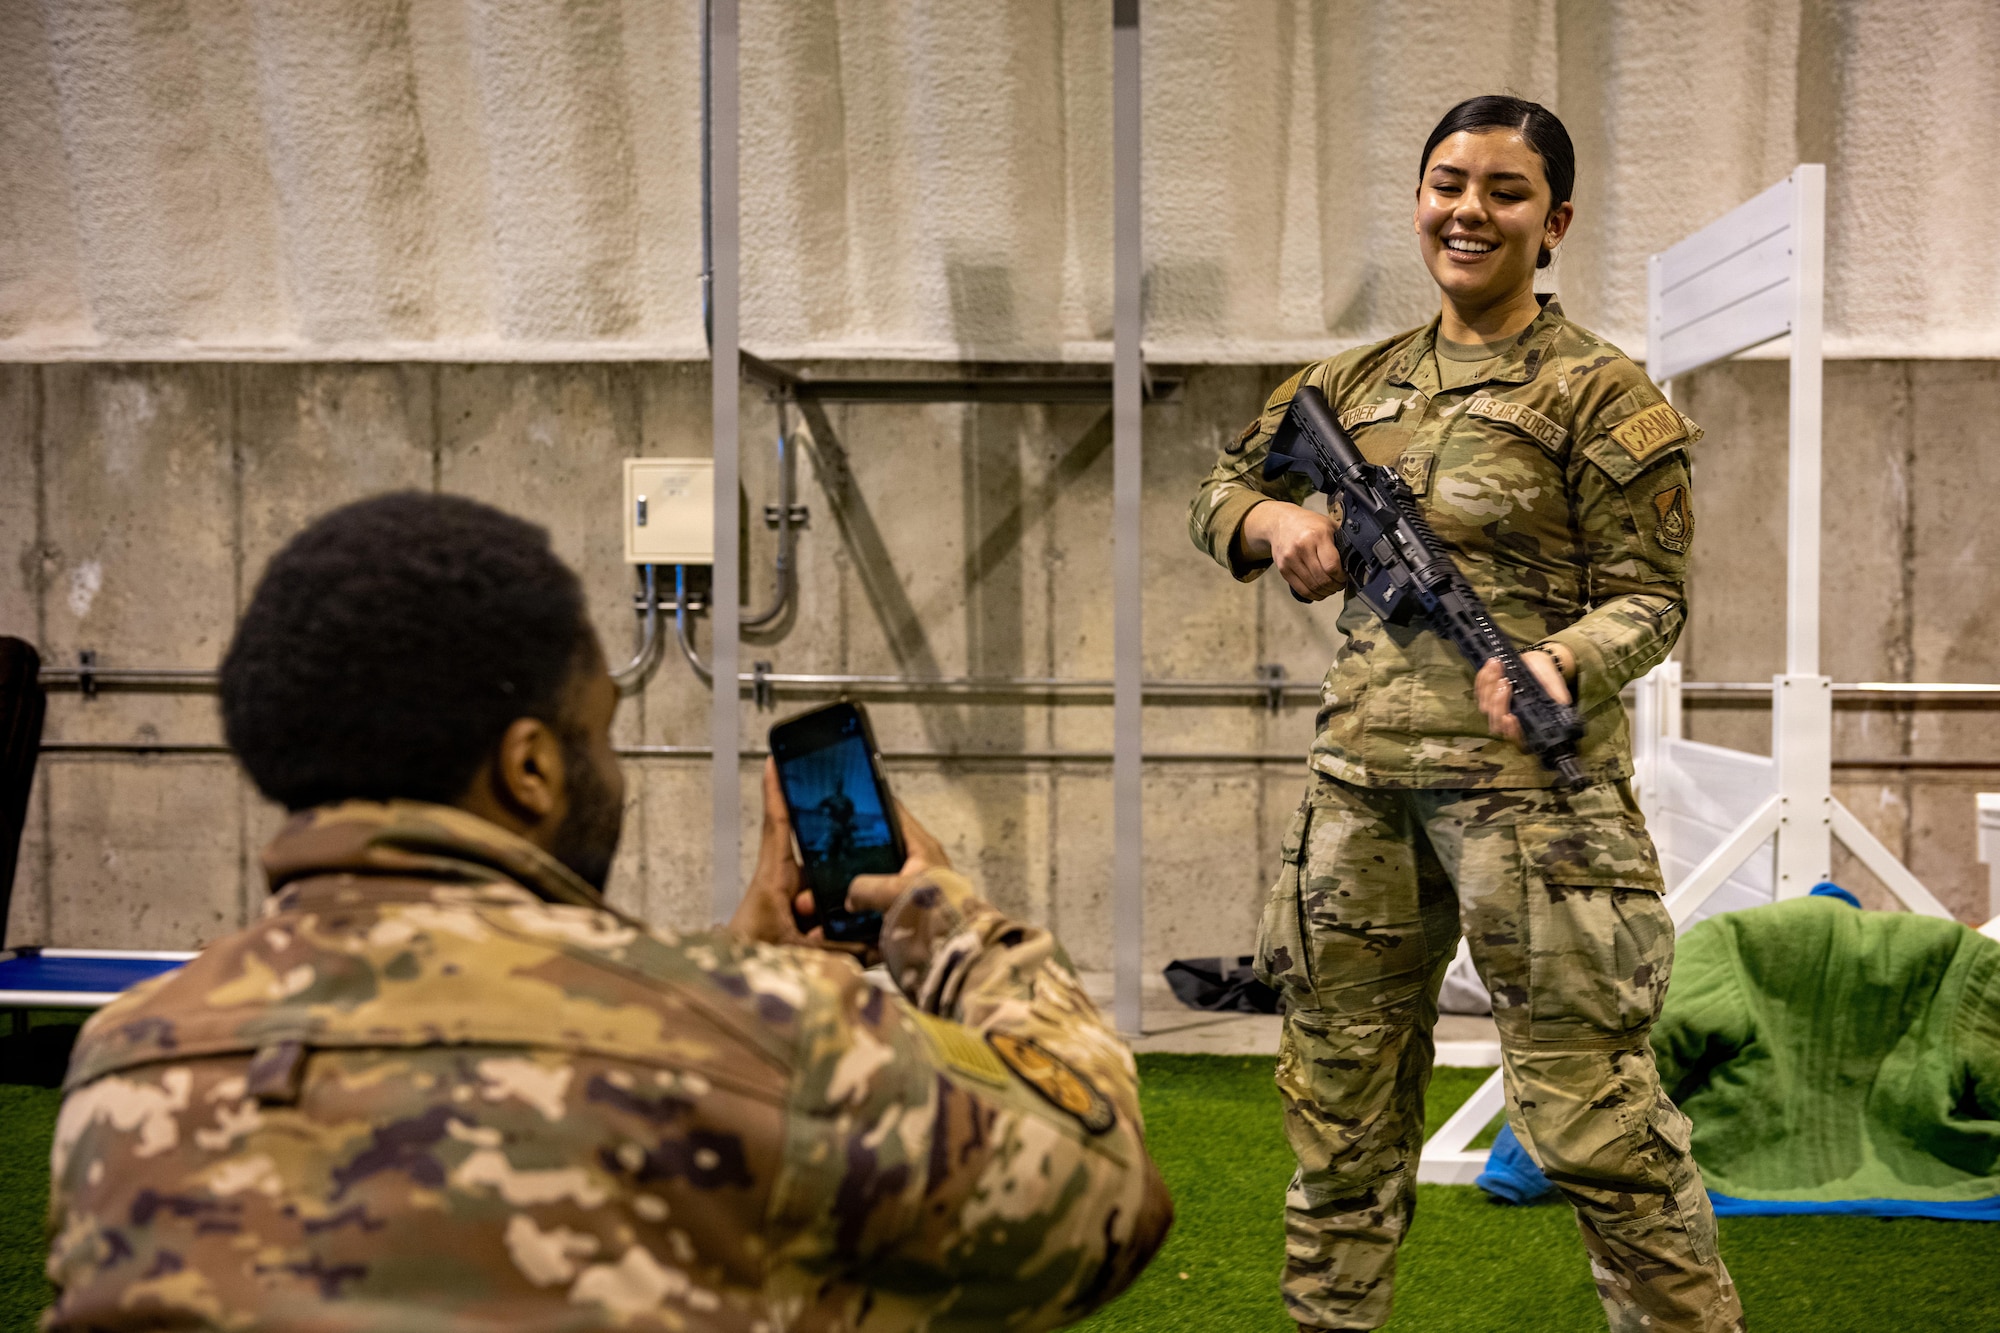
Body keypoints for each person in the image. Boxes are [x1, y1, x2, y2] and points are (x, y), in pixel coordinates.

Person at [45, 492, 1171, 1332]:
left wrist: (726, 970)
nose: (612, 769)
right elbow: (1106, 1193)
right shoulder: (774, 1036)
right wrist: (946, 923)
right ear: (530, 768)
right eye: (601, 731)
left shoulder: (124, 1062)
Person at [1187, 96, 1742, 1333]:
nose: (1467, 211)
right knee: (1338, 1121)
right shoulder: (1350, 383)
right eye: (1447, 183)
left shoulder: (1603, 394)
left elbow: (1652, 599)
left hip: (1536, 816)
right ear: (1419, 198)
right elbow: (1224, 481)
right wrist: (1276, 523)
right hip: (1356, 807)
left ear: (1552, 223)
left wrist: (1556, 661)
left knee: (1595, 1126)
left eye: (1502, 192)